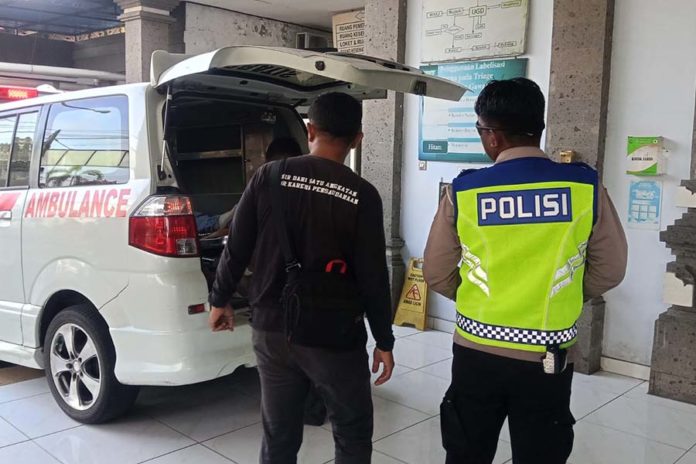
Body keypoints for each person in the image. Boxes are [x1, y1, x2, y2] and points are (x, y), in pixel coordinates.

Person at [423, 78, 628, 464]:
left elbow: (436, 272)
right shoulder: (584, 187)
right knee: (541, 452)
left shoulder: (465, 191)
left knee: (467, 451)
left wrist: (477, 296)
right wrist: (565, 292)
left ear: (492, 136)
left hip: (476, 351)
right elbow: (611, 269)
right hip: (548, 356)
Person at [208, 92, 395, 464]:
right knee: (352, 432)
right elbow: (373, 275)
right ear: (358, 138)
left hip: (272, 328)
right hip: (335, 334)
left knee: (279, 434)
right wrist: (384, 340)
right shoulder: (363, 195)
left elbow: (237, 246)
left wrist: (219, 299)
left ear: (310, 130)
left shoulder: (268, 176)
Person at [196, 137, 304, 237]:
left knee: (200, 220)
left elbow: (236, 236)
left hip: (234, 225)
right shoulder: (306, 197)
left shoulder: (261, 196)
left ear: (267, 164)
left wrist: (209, 238)